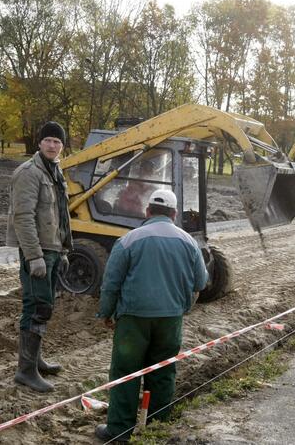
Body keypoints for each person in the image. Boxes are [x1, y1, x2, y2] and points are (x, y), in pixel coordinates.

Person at [95, 189, 208, 443]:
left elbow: (111, 283)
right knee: (164, 371)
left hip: (133, 320)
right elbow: (200, 282)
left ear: (147, 211)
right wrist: (182, 308)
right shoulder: (189, 242)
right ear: (175, 213)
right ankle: (158, 426)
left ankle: (119, 431)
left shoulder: (128, 240)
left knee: (126, 372)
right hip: (170, 320)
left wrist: (106, 312)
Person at [6, 121, 73, 393]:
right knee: (37, 307)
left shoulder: (56, 172)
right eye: (47, 140)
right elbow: (22, 217)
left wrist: (65, 249)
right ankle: (25, 370)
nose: (52, 145)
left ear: (62, 147)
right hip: (38, 251)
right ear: (39, 143)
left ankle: (35, 360)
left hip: (53, 249)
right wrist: (33, 257)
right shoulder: (29, 173)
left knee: (44, 306)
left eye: (57, 142)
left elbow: (62, 217)